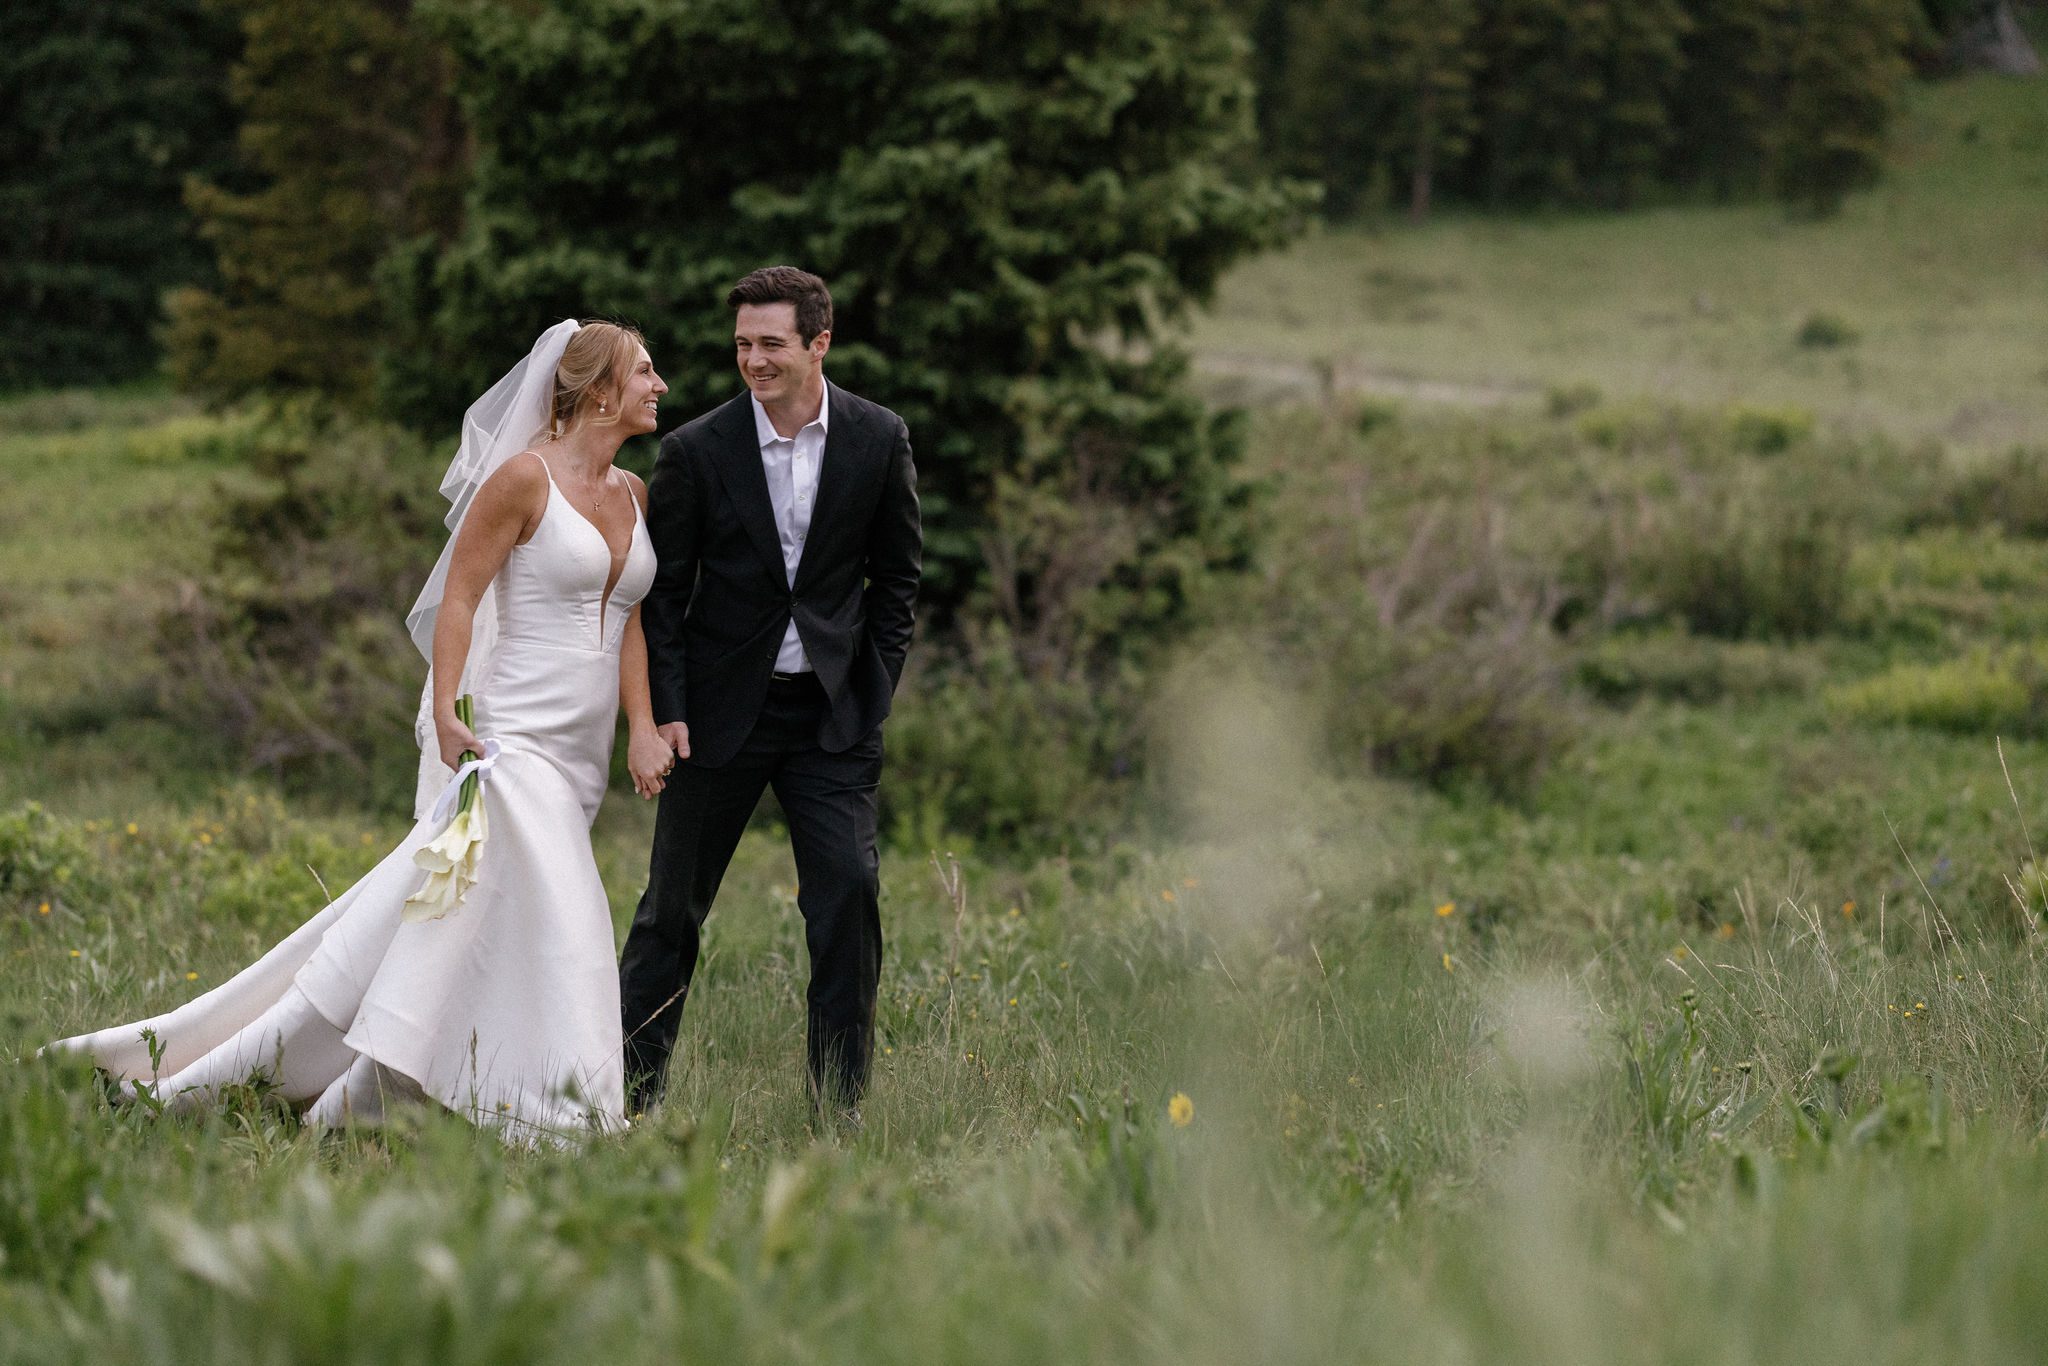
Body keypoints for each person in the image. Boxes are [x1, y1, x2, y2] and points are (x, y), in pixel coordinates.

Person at [49, 320, 674, 1144]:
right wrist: (449, 711)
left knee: (466, 921)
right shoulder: (523, 480)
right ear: (598, 390)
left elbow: (626, 616)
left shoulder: (633, 493)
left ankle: (382, 1086)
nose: (659, 385)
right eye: (644, 371)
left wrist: (642, 727)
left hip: (582, 747)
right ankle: (566, 1109)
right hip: (515, 735)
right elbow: (458, 597)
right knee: (570, 912)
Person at [618, 266, 921, 1123]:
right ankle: (631, 1100)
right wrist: (668, 708)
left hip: (832, 716)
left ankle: (839, 1110)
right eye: (743, 344)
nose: (753, 360)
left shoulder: (877, 437)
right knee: (670, 909)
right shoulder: (697, 449)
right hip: (714, 715)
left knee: (847, 900)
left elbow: (897, 582)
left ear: (819, 343)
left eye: (771, 344)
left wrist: (874, 690)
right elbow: (664, 594)